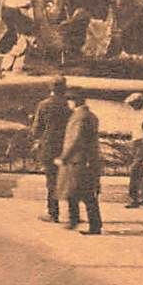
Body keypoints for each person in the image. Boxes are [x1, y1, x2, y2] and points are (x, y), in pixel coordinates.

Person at [58, 93, 103, 235]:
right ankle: (74, 219)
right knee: (74, 191)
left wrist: (64, 157)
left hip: (78, 160)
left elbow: (76, 139)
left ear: (74, 102)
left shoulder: (80, 117)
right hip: (86, 159)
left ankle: (94, 226)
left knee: (86, 193)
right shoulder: (90, 115)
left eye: (69, 101)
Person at [28, 77, 70, 222]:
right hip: (64, 147)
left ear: (50, 88)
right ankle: (72, 213)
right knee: (65, 178)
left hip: (48, 146)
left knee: (51, 181)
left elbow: (36, 129)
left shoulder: (44, 105)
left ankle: (53, 212)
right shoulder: (66, 106)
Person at [123, 92, 143, 208]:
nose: (132, 107)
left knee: (134, 170)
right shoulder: (137, 113)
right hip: (136, 142)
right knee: (142, 171)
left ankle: (133, 198)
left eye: (133, 104)